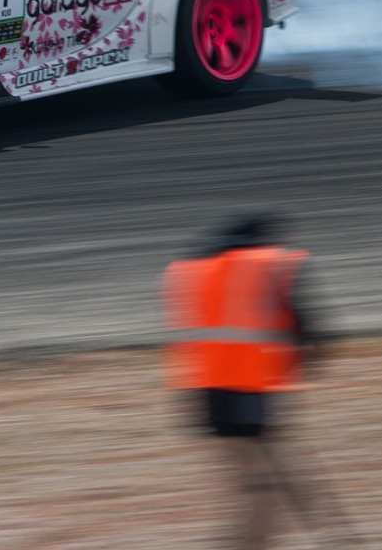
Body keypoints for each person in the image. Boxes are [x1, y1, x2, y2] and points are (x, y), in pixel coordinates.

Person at [163, 214, 320, 550]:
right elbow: (300, 323)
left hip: (206, 389)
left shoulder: (196, 270)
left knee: (250, 479)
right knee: (267, 483)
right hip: (252, 388)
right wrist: (308, 359)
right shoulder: (265, 265)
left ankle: (242, 542)